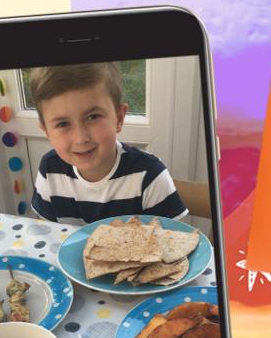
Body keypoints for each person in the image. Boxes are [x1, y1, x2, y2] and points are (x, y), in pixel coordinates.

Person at [29, 62, 188, 225]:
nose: (81, 138)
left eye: (93, 117)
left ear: (118, 118)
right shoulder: (49, 169)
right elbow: (47, 234)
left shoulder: (150, 175)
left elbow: (172, 242)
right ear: (47, 131)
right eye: (63, 124)